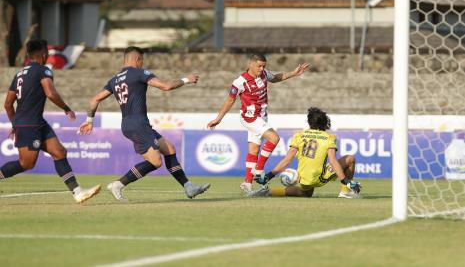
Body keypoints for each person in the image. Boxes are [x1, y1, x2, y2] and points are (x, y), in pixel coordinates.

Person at [79, 46, 210, 202]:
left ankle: (189, 187)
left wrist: (89, 120)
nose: (142, 64)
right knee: (155, 162)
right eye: (142, 61)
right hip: (138, 123)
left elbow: (94, 99)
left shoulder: (114, 80)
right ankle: (118, 184)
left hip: (131, 123)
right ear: (137, 59)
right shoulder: (139, 73)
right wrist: (186, 79)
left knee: (169, 149)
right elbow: (165, 86)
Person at [1, 39, 101, 203]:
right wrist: (66, 108)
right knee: (26, 164)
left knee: (60, 152)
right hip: (29, 124)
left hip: (35, 123)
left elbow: (7, 104)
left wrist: (15, 123)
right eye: (47, 52)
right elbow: (50, 93)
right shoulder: (43, 71)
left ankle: (78, 192)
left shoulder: (19, 74)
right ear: (43, 53)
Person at [207, 53, 310, 193]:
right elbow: (230, 100)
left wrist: (293, 73)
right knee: (274, 138)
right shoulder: (240, 82)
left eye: (263, 66)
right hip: (250, 117)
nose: (261, 69)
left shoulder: (264, 74)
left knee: (254, 150)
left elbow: (275, 78)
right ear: (251, 64)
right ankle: (259, 169)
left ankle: (247, 184)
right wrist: (218, 118)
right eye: (259, 66)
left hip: (262, 117)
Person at [250, 107, 361, 198]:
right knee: (350, 159)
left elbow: (287, 160)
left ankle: (269, 192)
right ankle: (345, 192)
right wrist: (346, 181)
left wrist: (268, 176)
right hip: (318, 178)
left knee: (306, 193)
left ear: (309, 122)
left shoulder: (299, 135)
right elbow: (332, 161)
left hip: (303, 179)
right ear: (324, 122)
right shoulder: (329, 137)